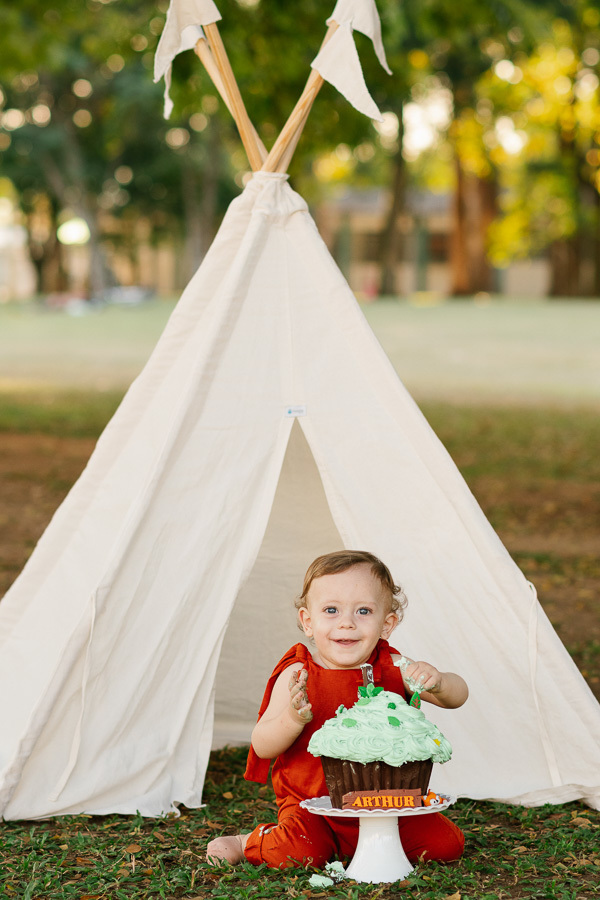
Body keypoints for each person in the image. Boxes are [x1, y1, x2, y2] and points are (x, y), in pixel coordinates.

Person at [206, 550, 469, 869]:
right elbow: (262, 745)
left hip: (387, 805)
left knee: (445, 845)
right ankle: (247, 840)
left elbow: (456, 697)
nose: (347, 622)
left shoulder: (393, 666)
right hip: (313, 807)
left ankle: (362, 844)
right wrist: (292, 718)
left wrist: (439, 682)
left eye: (363, 611)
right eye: (331, 610)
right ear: (308, 621)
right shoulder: (298, 675)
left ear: (386, 625)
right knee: (300, 853)